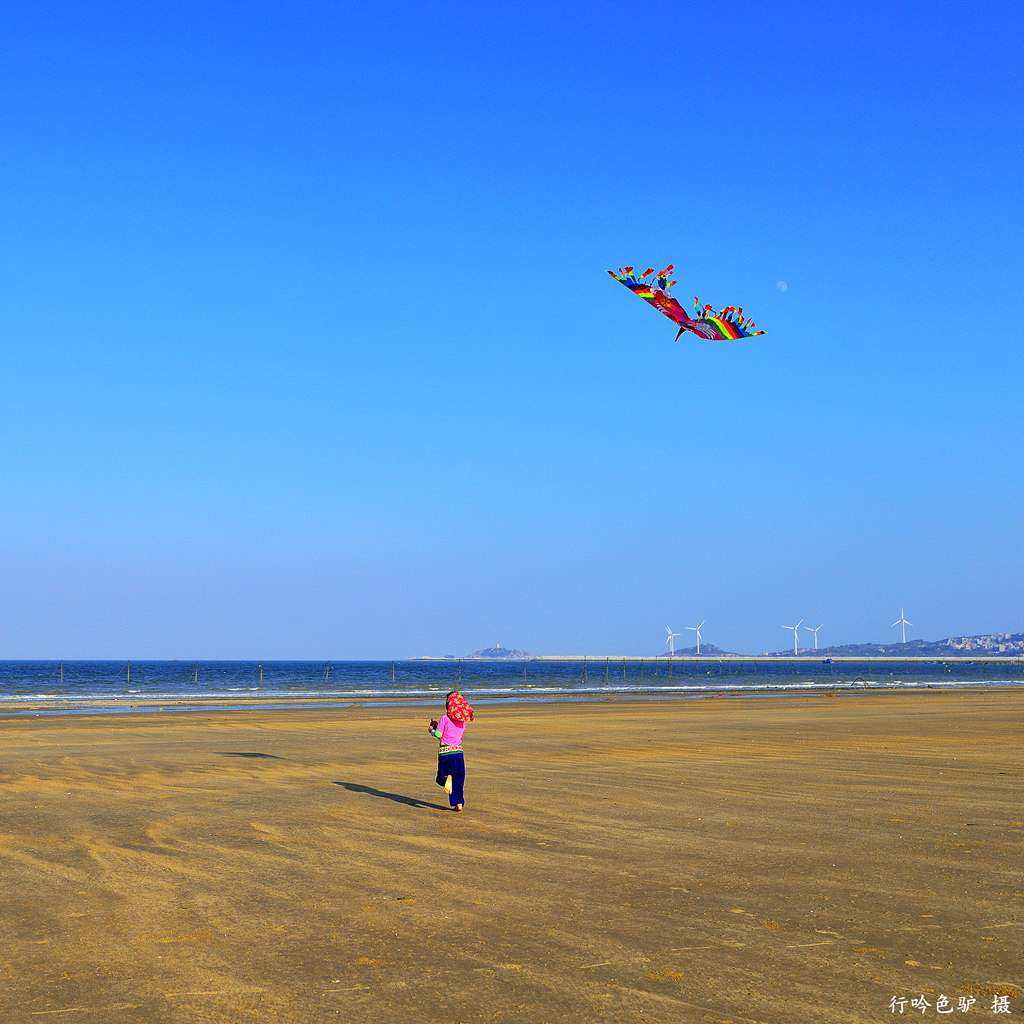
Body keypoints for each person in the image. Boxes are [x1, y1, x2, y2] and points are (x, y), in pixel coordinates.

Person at [428, 690, 474, 812]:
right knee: (459, 778)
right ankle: (458, 804)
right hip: (458, 753)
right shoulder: (462, 721)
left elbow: (439, 734)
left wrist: (432, 730)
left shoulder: (444, 718)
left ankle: (446, 778)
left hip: (446, 752)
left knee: (441, 776)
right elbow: (453, 732)